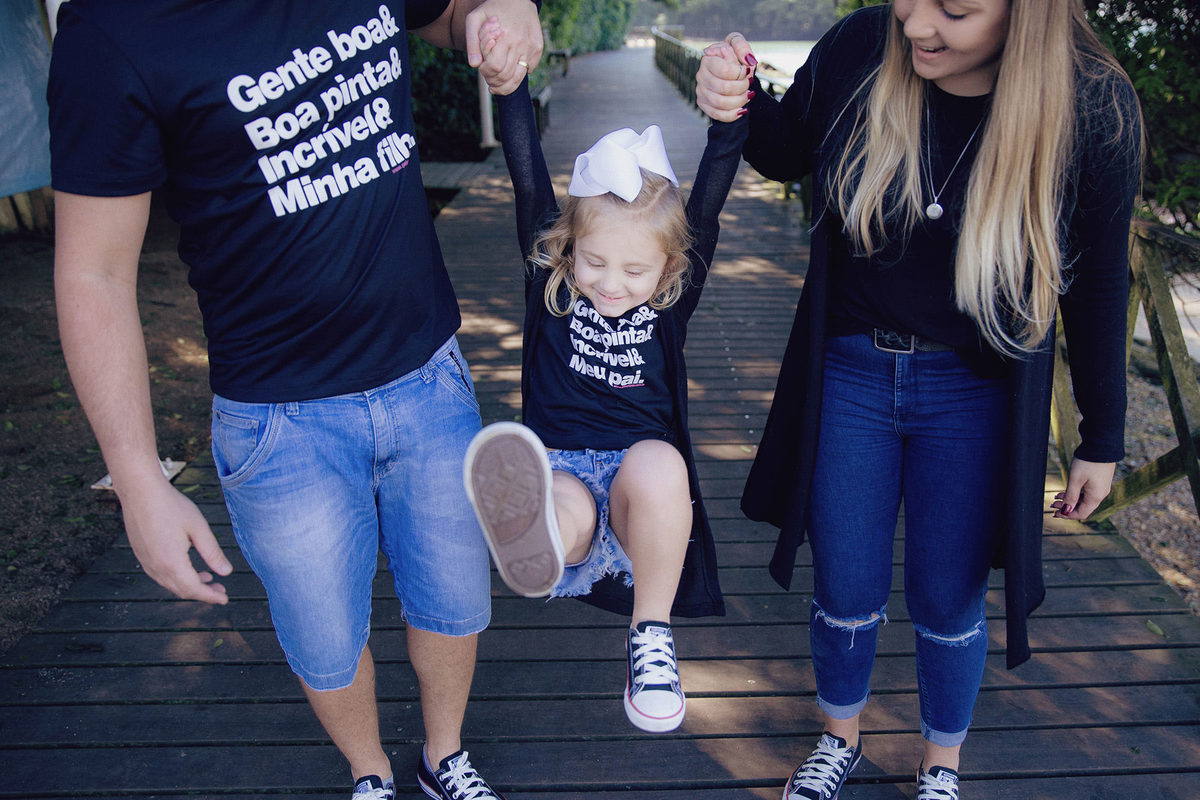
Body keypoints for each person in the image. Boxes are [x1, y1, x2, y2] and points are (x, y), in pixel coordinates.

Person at [47, 2, 544, 799]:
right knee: (323, 639)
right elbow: (93, 273)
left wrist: (508, 11)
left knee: (453, 603)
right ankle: (371, 772)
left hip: (428, 378)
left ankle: (443, 757)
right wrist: (137, 476)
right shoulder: (112, 31)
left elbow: (455, 16)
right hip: (281, 427)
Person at [695, 1, 1141, 798]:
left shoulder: (1094, 105)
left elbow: (1102, 279)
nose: (918, 27)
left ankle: (942, 763)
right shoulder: (864, 46)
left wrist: (1100, 437)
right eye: (910, 0)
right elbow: (785, 151)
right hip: (850, 376)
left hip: (976, 391)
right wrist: (739, 94)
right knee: (846, 583)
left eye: (955, 11)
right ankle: (841, 738)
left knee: (948, 596)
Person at [460, 28, 740, 733]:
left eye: (634, 270)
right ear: (567, 248)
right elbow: (527, 173)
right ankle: (539, 541)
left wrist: (732, 113)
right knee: (559, 503)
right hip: (561, 470)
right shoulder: (549, 281)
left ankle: (651, 635)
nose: (610, 284)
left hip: (634, 496)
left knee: (661, 464)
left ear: (670, 272)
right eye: (594, 262)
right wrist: (510, 80)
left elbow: (709, 195)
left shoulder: (671, 303)